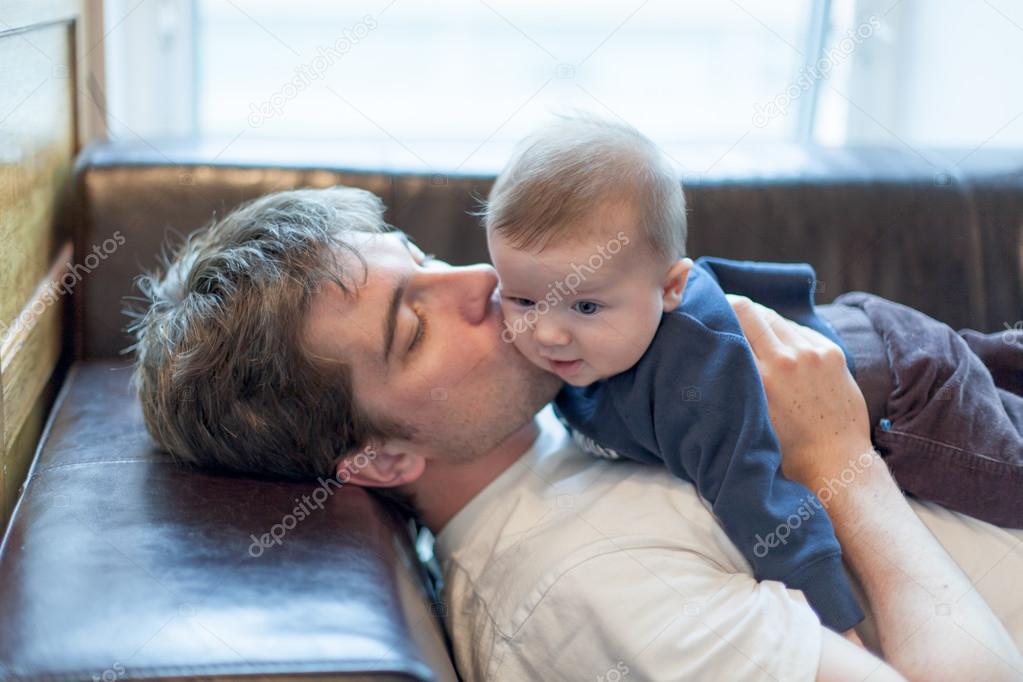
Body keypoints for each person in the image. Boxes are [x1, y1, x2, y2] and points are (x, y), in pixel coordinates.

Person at [130, 187, 1023, 680]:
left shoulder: (569, 414)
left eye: (426, 261)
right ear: (380, 457)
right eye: (412, 327)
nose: (480, 279)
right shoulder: (582, 589)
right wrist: (839, 461)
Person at [482, 116, 1023, 634]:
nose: (547, 333)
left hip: (909, 392)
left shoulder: (697, 383)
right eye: (523, 298)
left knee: (1006, 479)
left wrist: (834, 624)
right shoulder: (563, 353)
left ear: (671, 288)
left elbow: (761, 503)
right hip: (863, 334)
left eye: (585, 308)